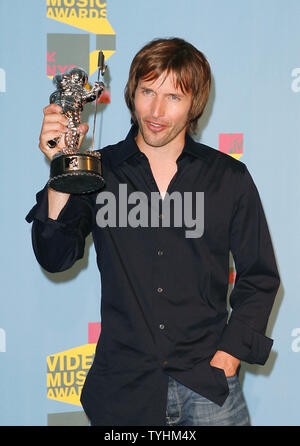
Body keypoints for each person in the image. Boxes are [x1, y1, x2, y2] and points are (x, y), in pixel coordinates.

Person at [26, 37, 280, 426]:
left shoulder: (227, 178)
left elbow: (259, 277)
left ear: (194, 104)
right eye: (148, 92)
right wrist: (62, 165)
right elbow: (54, 256)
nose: (157, 110)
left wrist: (228, 357)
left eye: (173, 97)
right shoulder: (98, 170)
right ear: (132, 93)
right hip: (123, 391)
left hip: (208, 386)